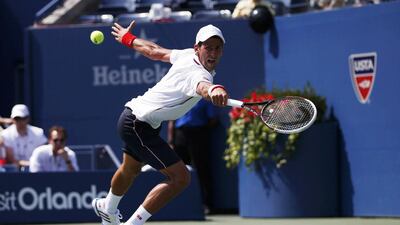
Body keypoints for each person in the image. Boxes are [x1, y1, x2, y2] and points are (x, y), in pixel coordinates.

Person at [91, 21, 229, 225]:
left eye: (218, 48)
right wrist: (213, 89)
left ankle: (107, 206)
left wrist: (129, 39)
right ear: (197, 48)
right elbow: (202, 86)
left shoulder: (185, 55)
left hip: (137, 120)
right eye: (208, 47)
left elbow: (154, 51)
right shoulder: (199, 74)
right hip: (137, 124)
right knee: (181, 178)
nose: (213, 53)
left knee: (131, 169)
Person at [167, 99, 218, 213]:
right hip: (180, 136)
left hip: (198, 135)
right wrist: (170, 141)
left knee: (201, 170)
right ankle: (182, 204)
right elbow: (172, 121)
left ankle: (206, 204)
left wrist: (202, 132)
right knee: (178, 171)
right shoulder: (179, 100)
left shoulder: (204, 101)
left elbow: (213, 119)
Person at [0, 104, 47, 170]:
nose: (20, 121)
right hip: (13, 173)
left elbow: (42, 156)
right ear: (12, 119)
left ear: (28, 118)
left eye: (23, 118)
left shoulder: (38, 133)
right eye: (17, 119)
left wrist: (33, 164)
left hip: (35, 170)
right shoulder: (5, 134)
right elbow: (11, 159)